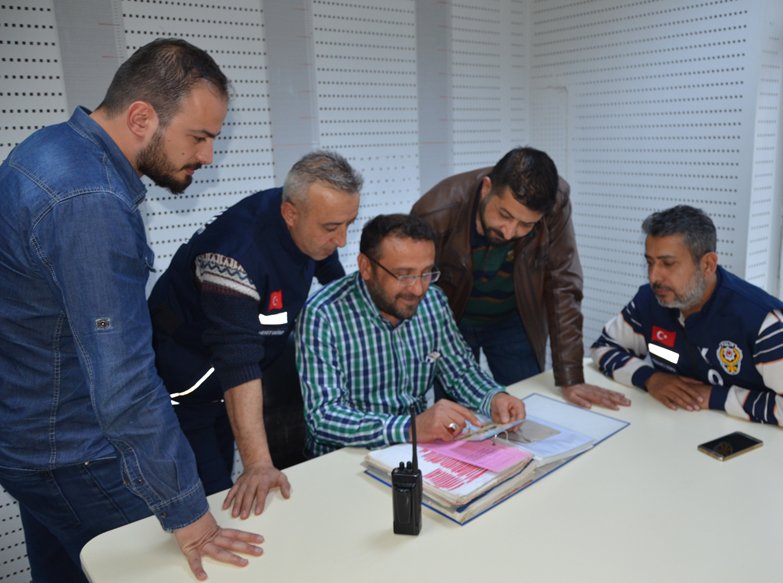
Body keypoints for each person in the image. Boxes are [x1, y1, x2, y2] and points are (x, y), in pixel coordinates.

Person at [0, 38, 264, 582]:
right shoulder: (90, 203)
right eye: (199, 136)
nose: (207, 156)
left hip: (31, 438)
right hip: (75, 454)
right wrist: (190, 517)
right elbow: (123, 380)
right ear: (142, 117)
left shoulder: (48, 150)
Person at [149, 150, 361, 517]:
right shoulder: (232, 257)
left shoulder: (310, 217)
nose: (341, 240)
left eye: (348, 223)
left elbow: (331, 274)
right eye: (332, 228)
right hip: (185, 386)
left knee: (230, 480)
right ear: (290, 214)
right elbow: (238, 362)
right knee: (210, 498)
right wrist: (259, 463)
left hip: (232, 379)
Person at [411, 147, 630, 410]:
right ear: (486, 188)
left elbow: (562, 284)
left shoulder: (555, 201)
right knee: (458, 416)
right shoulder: (435, 212)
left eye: (526, 225)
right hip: (452, 323)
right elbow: (415, 293)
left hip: (513, 319)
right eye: (504, 215)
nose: (509, 232)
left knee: (527, 406)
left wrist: (571, 377)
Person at [295, 214, 526, 457]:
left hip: (418, 449)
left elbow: (460, 371)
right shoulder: (323, 315)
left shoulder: (433, 301)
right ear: (366, 267)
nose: (418, 289)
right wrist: (409, 428)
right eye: (404, 275)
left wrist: (494, 397)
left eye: (426, 273)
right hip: (347, 457)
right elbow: (323, 417)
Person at [591, 205, 783, 429]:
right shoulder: (650, 300)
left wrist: (715, 397)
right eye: (650, 263)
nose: (654, 277)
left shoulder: (761, 320)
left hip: (752, 441)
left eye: (668, 264)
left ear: (707, 264)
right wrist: (651, 378)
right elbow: (603, 348)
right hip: (677, 431)